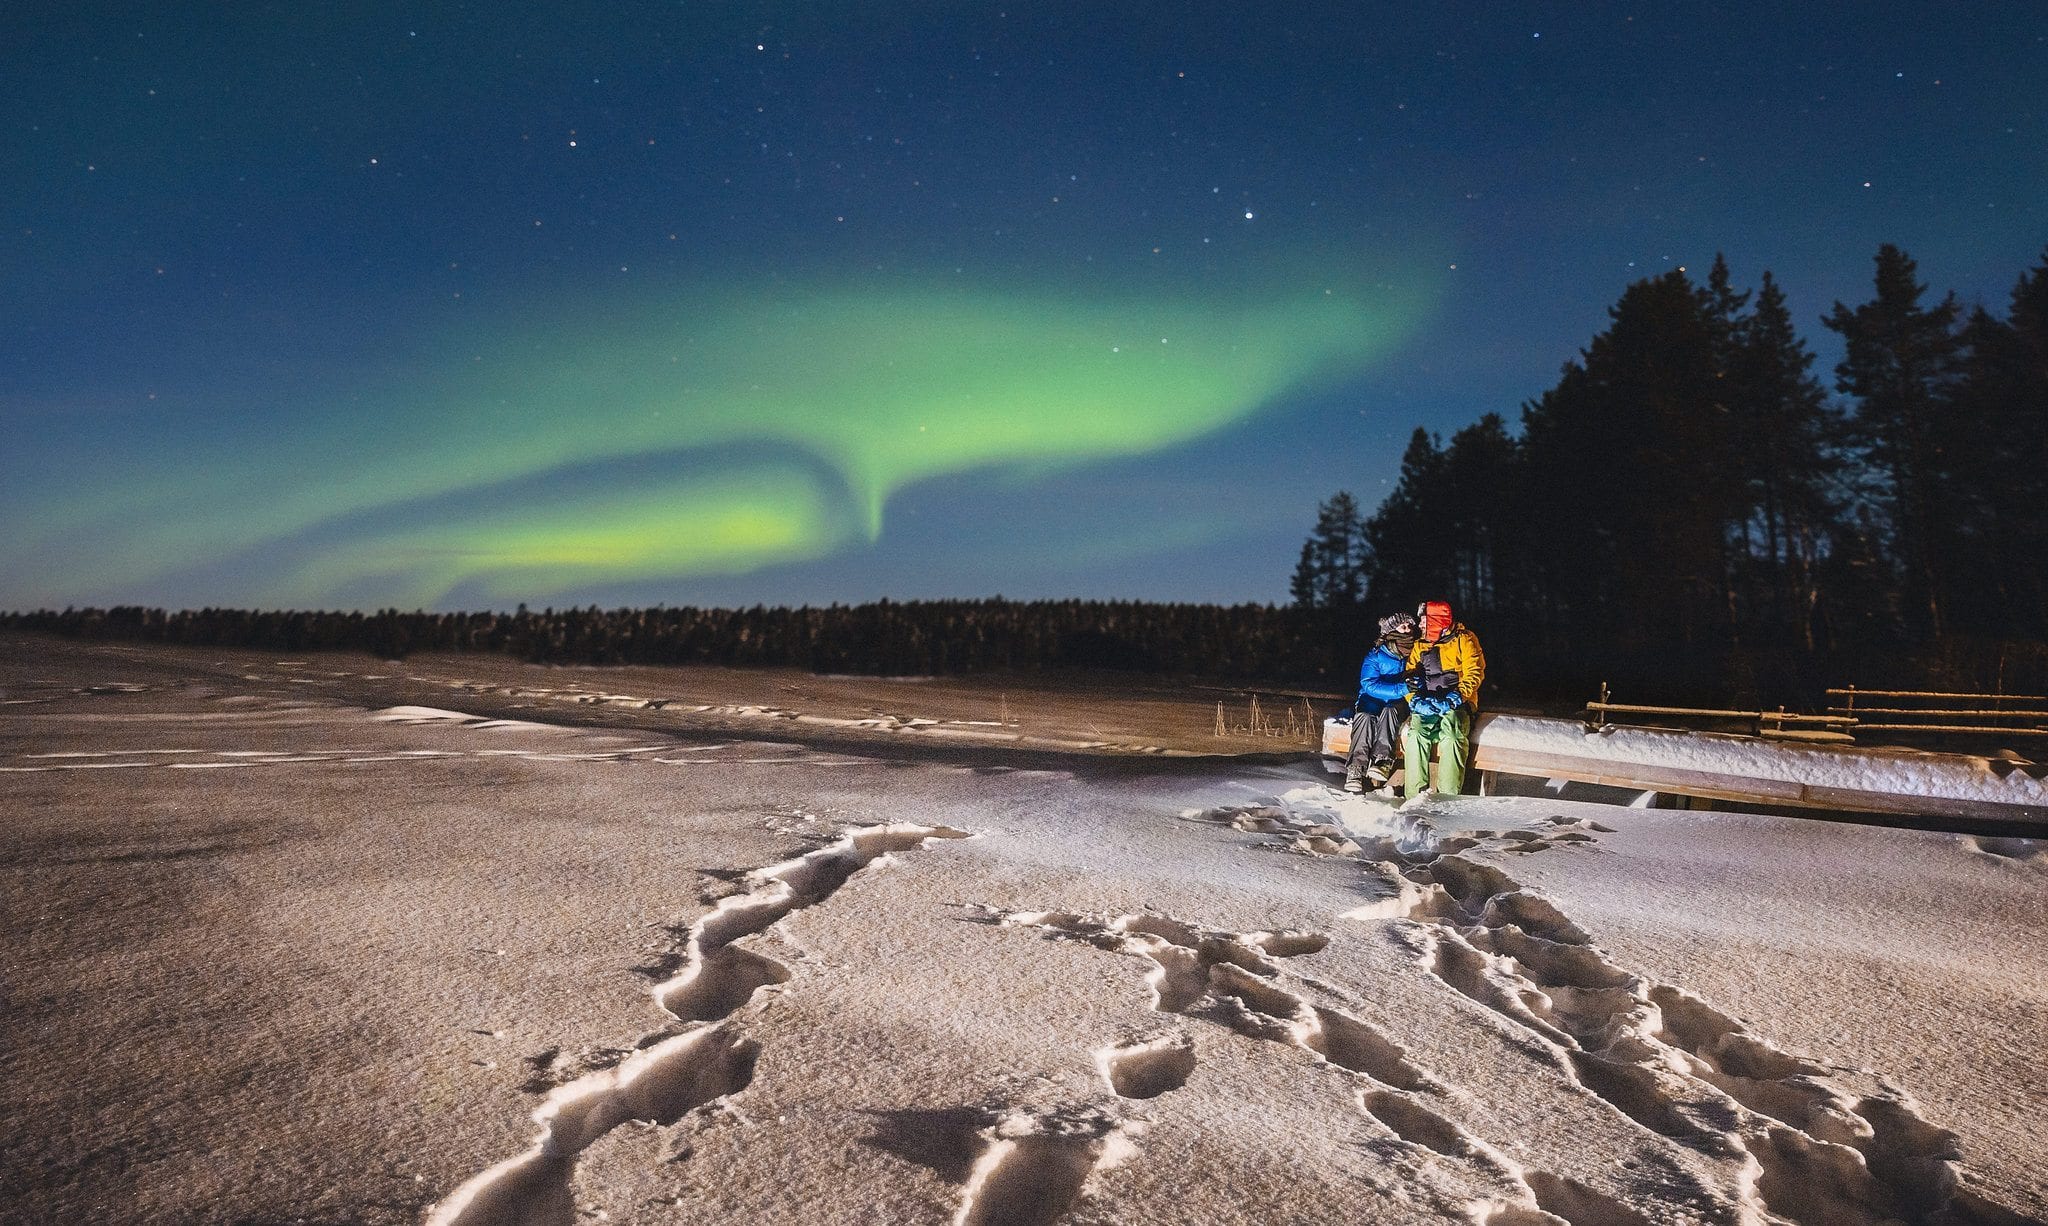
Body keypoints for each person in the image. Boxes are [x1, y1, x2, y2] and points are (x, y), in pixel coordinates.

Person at [1401, 599, 1486, 799]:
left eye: (1424, 621)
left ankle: (1447, 797)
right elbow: (1409, 676)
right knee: (1416, 735)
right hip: (1427, 702)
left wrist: (1457, 696)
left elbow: (1475, 671)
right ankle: (1414, 797)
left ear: (1438, 621)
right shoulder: (1420, 645)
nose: (1420, 625)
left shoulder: (1464, 639)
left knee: (1452, 735)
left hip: (1457, 702)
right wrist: (1414, 699)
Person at [1346, 612, 1418, 793]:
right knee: (1364, 717)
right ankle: (1356, 768)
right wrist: (1401, 688)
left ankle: (1383, 760)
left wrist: (1414, 685)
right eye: (1403, 626)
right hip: (1373, 698)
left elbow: (1422, 675)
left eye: (1410, 626)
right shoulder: (1376, 655)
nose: (1408, 630)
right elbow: (1368, 684)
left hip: (1399, 702)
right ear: (1391, 630)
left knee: (1390, 712)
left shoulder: (1416, 652)